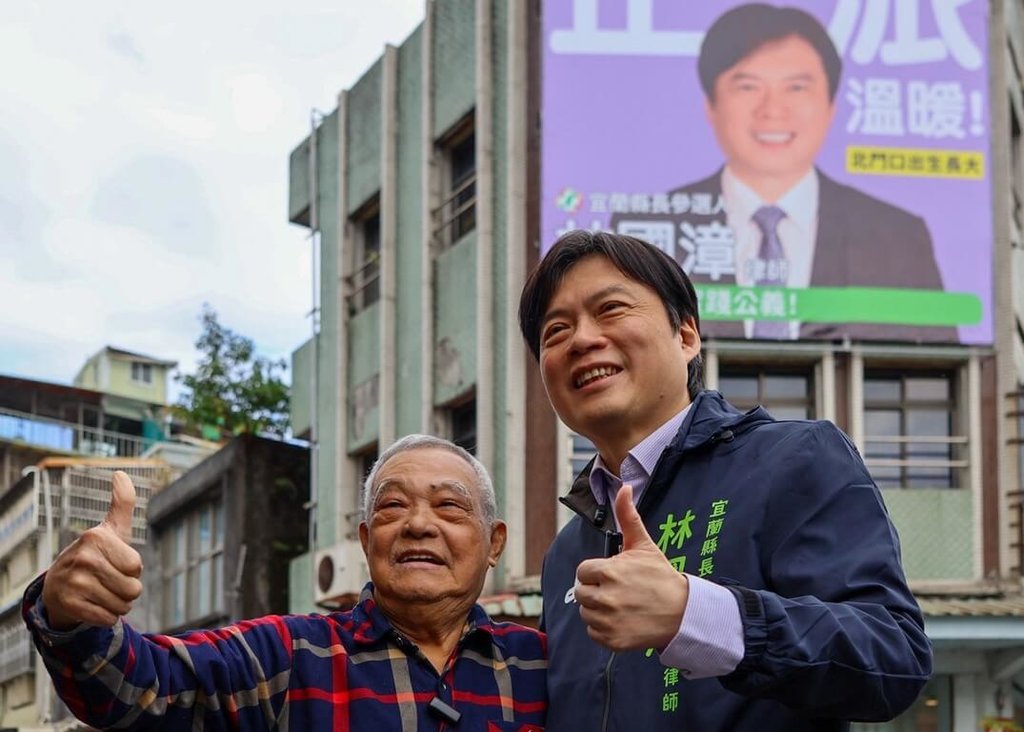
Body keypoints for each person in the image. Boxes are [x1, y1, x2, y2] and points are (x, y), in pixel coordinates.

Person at [518, 229, 932, 731]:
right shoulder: (567, 554)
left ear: (687, 335)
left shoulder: (794, 460)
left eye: (611, 310)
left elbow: (892, 658)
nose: (582, 339)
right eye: (556, 331)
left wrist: (695, 615)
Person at [23, 435, 547, 730]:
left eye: (449, 505)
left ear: (494, 542)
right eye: (392, 505)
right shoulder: (289, 655)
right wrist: (68, 610)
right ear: (366, 540)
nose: (418, 524)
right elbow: (140, 688)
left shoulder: (543, 665)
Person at [612, 3, 952, 342]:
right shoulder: (643, 233)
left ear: (831, 105)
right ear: (710, 105)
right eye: (748, 86)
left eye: (797, 87)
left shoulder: (900, 237)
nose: (772, 110)